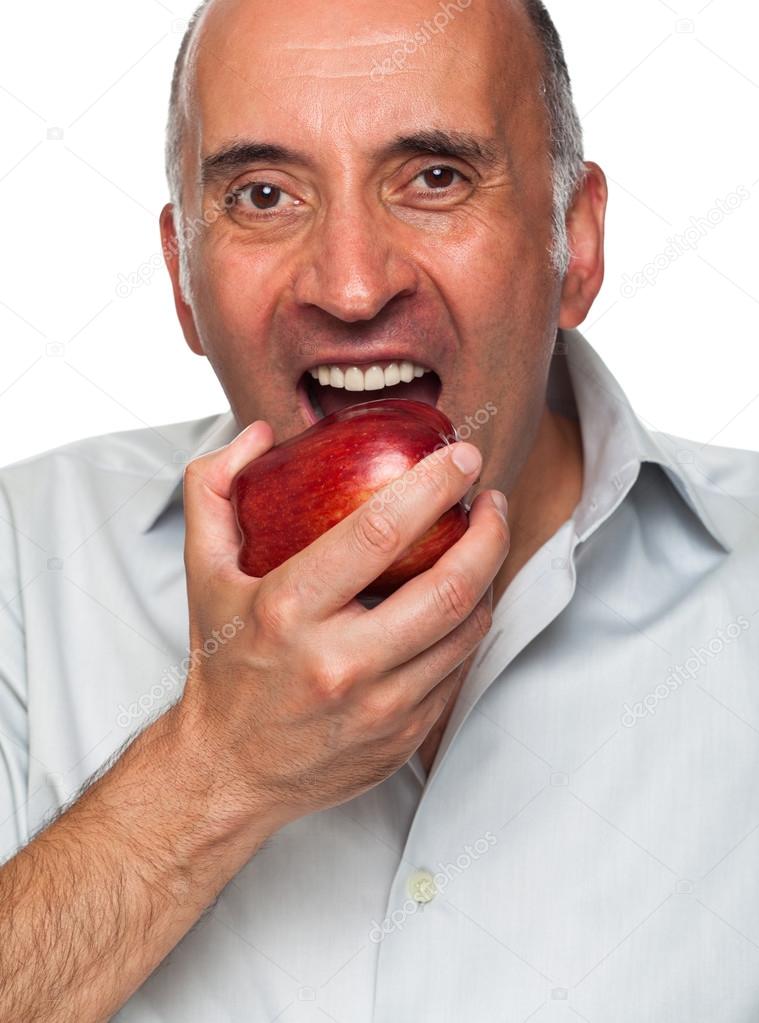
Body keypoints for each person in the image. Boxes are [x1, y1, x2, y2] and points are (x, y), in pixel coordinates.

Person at [1, 0, 757, 1019]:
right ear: (182, 281)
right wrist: (216, 767)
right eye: (265, 194)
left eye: (436, 178)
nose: (352, 287)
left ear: (574, 242)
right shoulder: (23, 561)